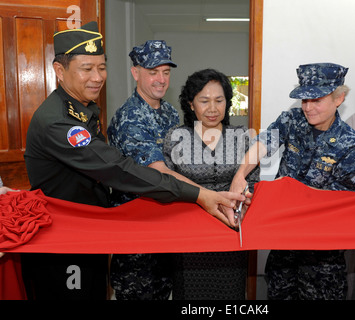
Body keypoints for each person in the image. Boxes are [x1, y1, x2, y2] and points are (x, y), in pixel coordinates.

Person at [22, 22, 244, 300]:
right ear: (59, 70)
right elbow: (123, 171)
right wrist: (202, 195)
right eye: (86, 68)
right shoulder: (61, 121)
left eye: (101, 67)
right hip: (69, 238)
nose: (97, 77)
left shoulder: (87, 110)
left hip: (99, 230)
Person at [230, 63, 355, 300]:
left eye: (317, 100)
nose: (308, 108)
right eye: (304, 101)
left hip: (322, 255)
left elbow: (344, 203)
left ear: (339, 98)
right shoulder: (292, 120)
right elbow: (262, 144)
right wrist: (239, 175)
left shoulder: (351, 144)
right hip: (284, 244)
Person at [107, 40, 195, 300]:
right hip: (137, 233)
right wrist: (205, 195)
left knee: (164, 291)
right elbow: (158, 172)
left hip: (166, 224)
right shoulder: (129, 117)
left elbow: (179, 161)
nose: (161, 79)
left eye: (166, 72)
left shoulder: (168, 112)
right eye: (153, 71)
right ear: (136, 73)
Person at [163, 69, 260, 300]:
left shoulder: (241, 136)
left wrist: (243, 203)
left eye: (219, 100)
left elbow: (252, 181)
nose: (213, 108)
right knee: (190, 294)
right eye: (204, 101)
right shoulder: (175, 137)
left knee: (229, 293)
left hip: (231, 227)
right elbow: (167, 182)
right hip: (189, 230)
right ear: (191, 104)